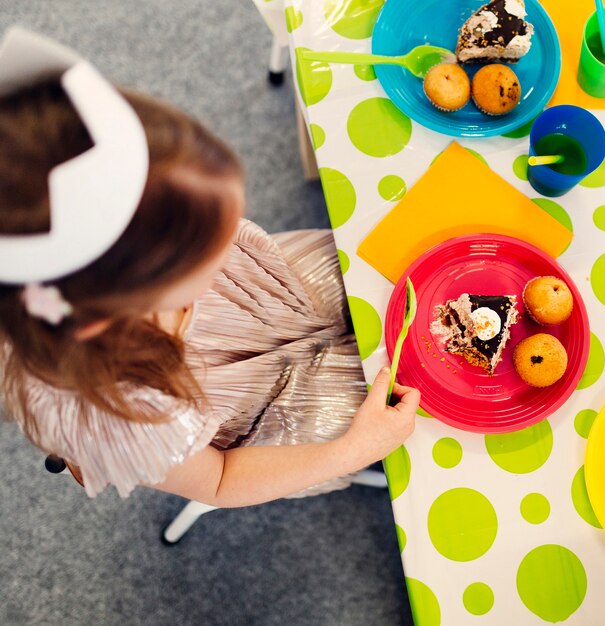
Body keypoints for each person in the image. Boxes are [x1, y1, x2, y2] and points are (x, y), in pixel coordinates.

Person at [0, 29, 420, 507]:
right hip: (254, 407)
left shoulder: (119, 267)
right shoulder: (127, 413)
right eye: (208, 252)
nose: (231, 242)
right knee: (419, 387)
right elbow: (219, 481)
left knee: (392, 268)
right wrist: (353, 450)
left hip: (257, 296)